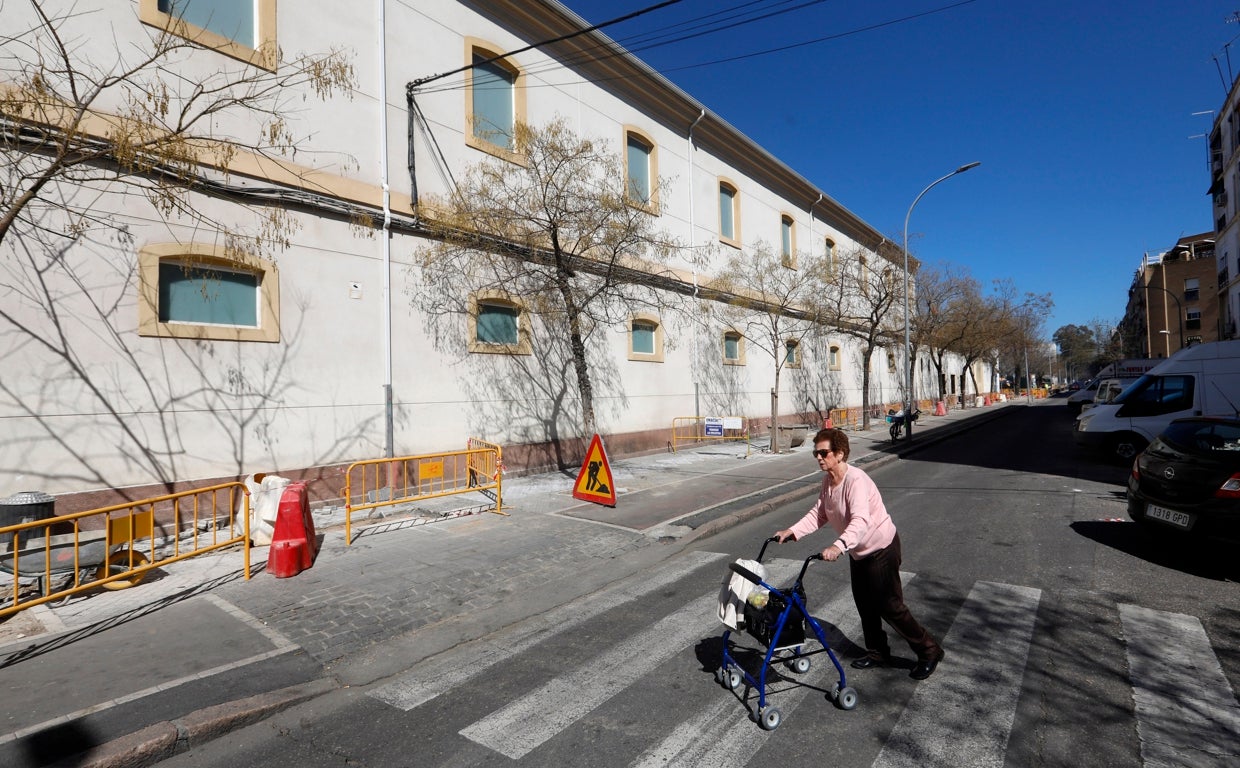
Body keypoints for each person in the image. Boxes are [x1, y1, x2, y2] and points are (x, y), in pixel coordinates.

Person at [773, 427, 944, 680]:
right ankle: (878, 653)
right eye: (815, 453)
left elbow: (860, 521)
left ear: (840, 453)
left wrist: (838, 546)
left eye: (824, 452)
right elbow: (819, 513)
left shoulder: (856, 480)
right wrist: (793, 531)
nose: (819, 458)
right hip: (859, 553)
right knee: (865, 605)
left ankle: (929, 650)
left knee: (891, 606)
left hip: (881, 549)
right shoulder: (829, 482)